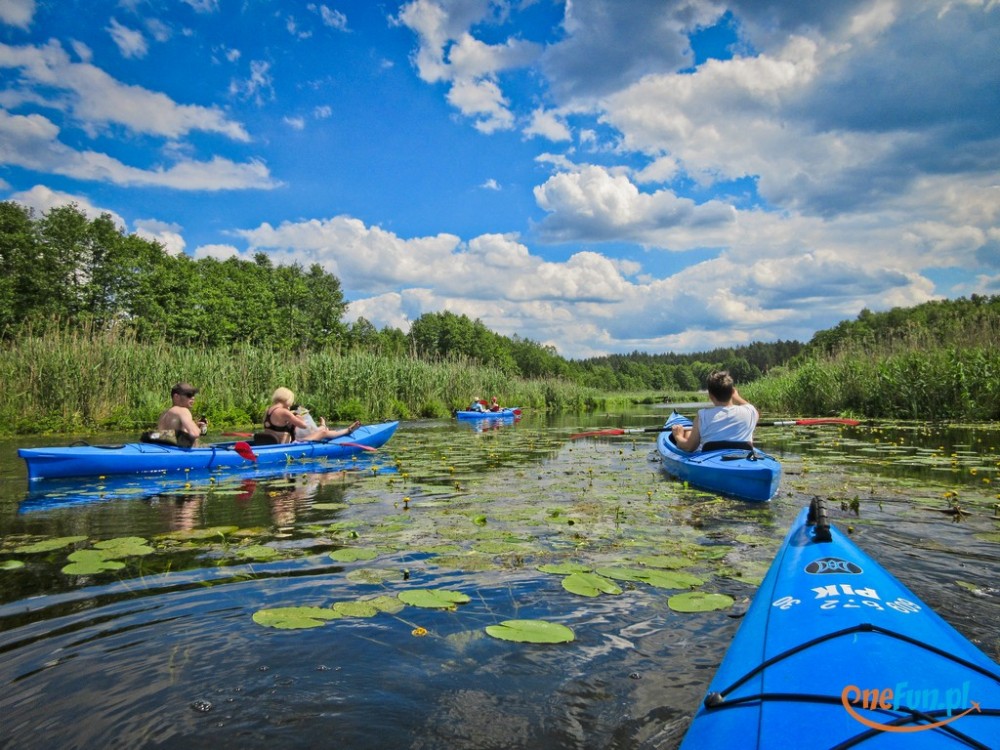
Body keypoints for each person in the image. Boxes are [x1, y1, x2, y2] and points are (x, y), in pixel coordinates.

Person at [671, 371, 759, 452]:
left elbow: (689, 447)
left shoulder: (702, 416)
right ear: (732, 392)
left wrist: (678, 436)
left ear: (710, 396)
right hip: (743, 457)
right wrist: (736, 397)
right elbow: (752, 409)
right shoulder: (750, 411)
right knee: (689, 433)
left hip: (711, 460)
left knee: (687, 433)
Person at [260, 387, 361, 444]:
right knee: (323, 433)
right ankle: (348, 430)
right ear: (287, 399)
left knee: (315, 428)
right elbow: (303, 425)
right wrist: (298, 417)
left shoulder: (268, 410)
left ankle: (323, 426)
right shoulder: (283, 412)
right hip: (287, 445)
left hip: (277, 442)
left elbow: (278, 425)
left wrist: (292, 417)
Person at [142, 382, 208, 448]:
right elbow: (195, 433)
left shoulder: (164, 413)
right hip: (180, 452)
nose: (193, 398)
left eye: (193, 395)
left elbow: (172, 433)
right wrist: (199, 430)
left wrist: (196, 426)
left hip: (165, 448)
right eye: (189, 394)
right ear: (176, 396)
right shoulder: (183, 411)